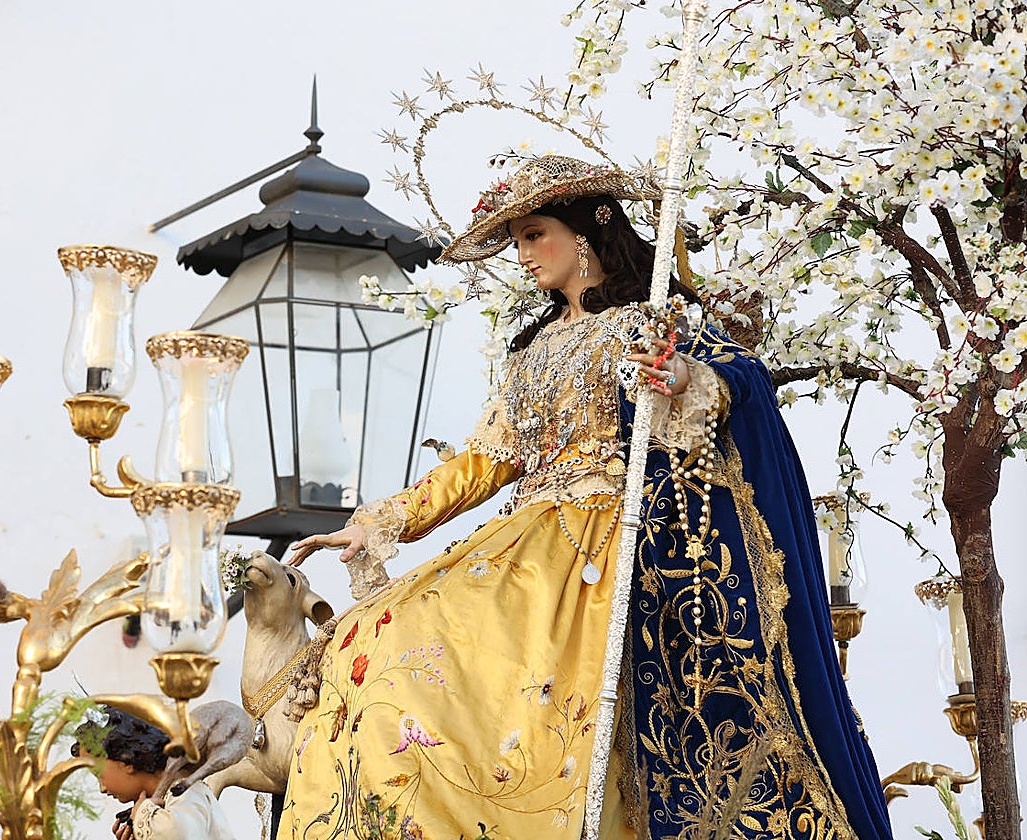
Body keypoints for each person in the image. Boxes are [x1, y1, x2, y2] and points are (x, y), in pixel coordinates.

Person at [280, 155, 893, 839]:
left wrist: (683, 378)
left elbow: (736, 382)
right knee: (384, 646)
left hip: (605, 545)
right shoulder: (534, 350)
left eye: (534, 233)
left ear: (587, 233)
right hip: (527, 543)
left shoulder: (648, 323)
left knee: (537, 717)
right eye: (516, 241)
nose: (523, 254)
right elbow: (487, 458)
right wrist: (383, 520)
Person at [72, 706, 236, 840]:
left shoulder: (186, 793)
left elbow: (179, 833)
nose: (102, 788)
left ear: (126, 761)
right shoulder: (168, 802)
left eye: (99, 774)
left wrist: (143, 817)